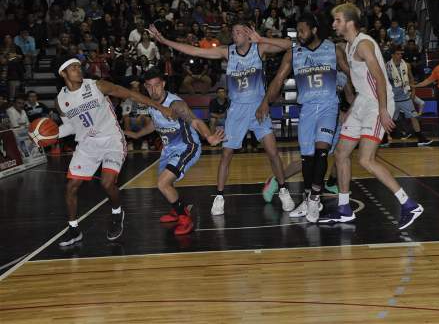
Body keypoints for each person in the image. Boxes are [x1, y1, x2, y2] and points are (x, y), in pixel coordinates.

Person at [147, 22, 295, 216]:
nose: (236, 34)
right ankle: (219, 196)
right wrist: (164, 40)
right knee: (226, 155)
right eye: (234, 32)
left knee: (273, 152)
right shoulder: (228, 52)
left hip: (259, 108)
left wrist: (262, 39)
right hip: (236, 111)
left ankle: (283, 189)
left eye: (240, 31)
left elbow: (290, 45)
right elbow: (195, 51)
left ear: (249, 33)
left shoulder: (260, 48)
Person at [54, 59, 174, 247]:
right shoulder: (61, 100)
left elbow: (129, 94)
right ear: (63, 73)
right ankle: (73, 229)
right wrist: (51, 134)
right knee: (71, 187)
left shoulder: (97, 85)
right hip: (87, 145)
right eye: (73, 67)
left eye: (79, 66)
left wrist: (159, 106)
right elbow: (71, 126)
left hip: (112, 140)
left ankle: (117, 213)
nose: (78, 69)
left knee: (107, 183)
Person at [328, 3, 423, 229]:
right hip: (363, 103)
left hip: (378, 104)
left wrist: (382, 109)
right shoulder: (350, 45)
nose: (334, 24)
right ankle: (344, 208)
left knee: (365, 159)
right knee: (341, 153)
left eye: (338, 20)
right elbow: (363, 85)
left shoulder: (363, 45)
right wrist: (351, 109)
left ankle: (409, 204)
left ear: (350, 23)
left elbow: (380, 78)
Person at [256, 14, 351, 222]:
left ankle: (315, 198)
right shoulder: (293, 53)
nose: (298, 35)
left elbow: (349, 75)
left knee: (322, 152)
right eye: (297, 31)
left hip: (329, 107)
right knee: (307, 159)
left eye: (302, 31)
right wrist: (265, 102)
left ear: (314, 30)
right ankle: (308, 198)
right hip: (307, 109)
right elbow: (279, 79)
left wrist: (352, 106)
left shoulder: (333, 49)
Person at [125, 68, 224, 235]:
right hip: (169, 149)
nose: (153, 90)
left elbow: (195, 121)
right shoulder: (151, 103)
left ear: (163, 84)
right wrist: (136, 134)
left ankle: (185, 219)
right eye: (149, 86)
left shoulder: (175, 104)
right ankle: (178, 208)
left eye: (156, 85)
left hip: (187, 146)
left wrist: (208, 137)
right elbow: (155, 124)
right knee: (166, 184)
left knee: (162, 183)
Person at [385, 46, 432, 146]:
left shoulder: (406, 65)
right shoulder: (386, 66)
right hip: (392, 98)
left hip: (405, 97)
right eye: (398, 54)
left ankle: (421, 138)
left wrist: (413, 92)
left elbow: (411, 79)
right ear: (392, 55)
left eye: (401, 54)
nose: (400, 55)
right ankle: (384, 138)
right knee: (388, 119)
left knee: (414, 116)